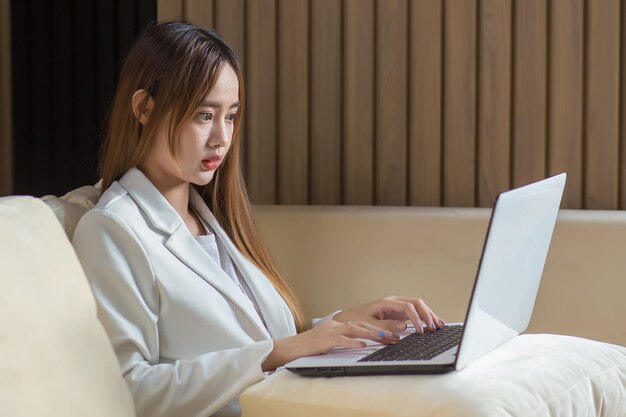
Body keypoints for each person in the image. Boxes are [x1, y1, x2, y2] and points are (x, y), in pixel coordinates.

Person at [72, 21, 444, 417]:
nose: (221, 138)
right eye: (203, 115)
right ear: (144, 107)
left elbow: (256, 341)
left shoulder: (209, 216)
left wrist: (343, 325)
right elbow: (130, 392)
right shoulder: (112, 228)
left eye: (230, 116)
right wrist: (275, 353)